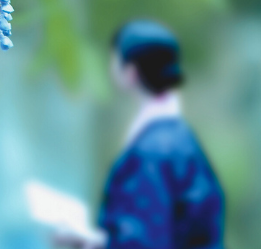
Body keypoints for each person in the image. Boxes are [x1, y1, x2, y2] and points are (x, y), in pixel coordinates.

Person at [54, 19, 226, 249]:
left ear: (131, 72)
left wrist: (89, 242)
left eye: (115, 58)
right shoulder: (183, 141)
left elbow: (144, 242)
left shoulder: (150, 152)